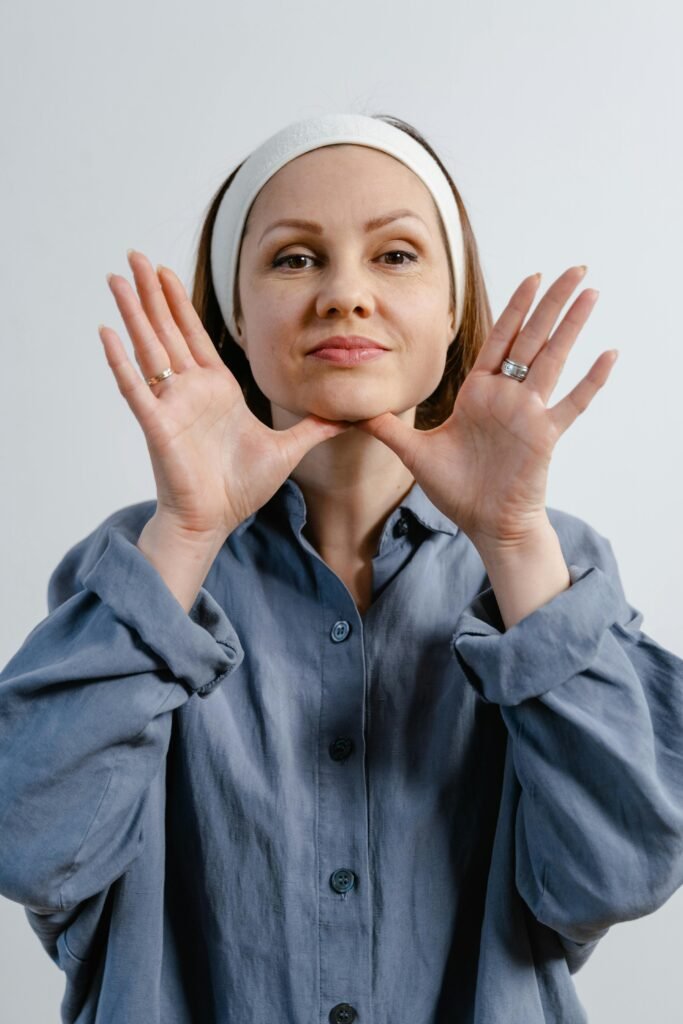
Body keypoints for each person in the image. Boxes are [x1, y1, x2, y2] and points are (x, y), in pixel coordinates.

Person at [0, 112, 682, 1024]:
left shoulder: (553, 566)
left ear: (451, 312)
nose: (344, 295)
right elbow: (29, 846)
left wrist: (513, 539)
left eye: (396, 255)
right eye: (293, 259)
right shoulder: (141, 562)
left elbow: (617, 874)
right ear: (236, 316)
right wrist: (188, 529)